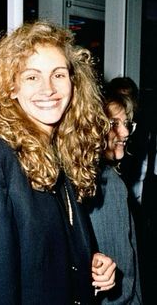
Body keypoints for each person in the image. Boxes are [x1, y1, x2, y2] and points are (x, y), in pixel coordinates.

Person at [0, 20, 116, 305]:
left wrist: (86, 263)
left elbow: (39, 255)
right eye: (32, 77)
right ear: (11, 88)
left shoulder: (59, 152)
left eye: (58, 74)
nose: (48, 89)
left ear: (74, 84)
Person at [85, 89, 143, 304]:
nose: (126, 132)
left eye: (127, 123)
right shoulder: (107, 184)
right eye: (114, 124)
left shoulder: (96, 178)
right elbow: (123, 278)